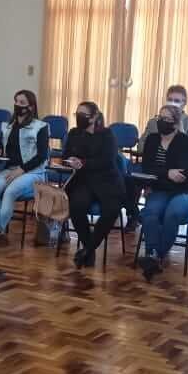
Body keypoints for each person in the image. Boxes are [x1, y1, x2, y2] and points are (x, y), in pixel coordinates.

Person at [136, 104, 188, 279]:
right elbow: (147, 168)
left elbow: (184, 172)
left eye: (166, 119)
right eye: (160, 118)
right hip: (161, 188)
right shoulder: (151, 140)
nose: (161, 122)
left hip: (187, 190)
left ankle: (156, 255)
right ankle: (151, 253)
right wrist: (167, 172)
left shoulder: (185, 141)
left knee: (172, 212)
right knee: (150, 212)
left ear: (175, 123)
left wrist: (161, 172)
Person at [0, 90, 50, 251]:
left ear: (31, 107)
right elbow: (0, 149)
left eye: (22, 103)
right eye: (16, 101)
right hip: (10, 169)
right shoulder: (7, 126)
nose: (18, 105)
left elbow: (42, 156)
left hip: (33, 172)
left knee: (11, 191)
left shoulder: (41, 127)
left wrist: (21, 170)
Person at [125, 85, 188, 229]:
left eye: (177, 100)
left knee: (168, 206)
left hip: (181, 170)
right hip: (156, 170)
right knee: (131, 177)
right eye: (170, 99)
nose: (173, 103)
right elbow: (142, 147)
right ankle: (133, 214)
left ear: (184, 103)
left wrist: (178, 128)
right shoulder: (155, 122)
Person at [63, 101, 125, 268]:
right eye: (78, 114)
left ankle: (88, 249)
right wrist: (71, 161)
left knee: (111, 210)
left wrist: (83, 162)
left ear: (95, 116)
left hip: (107, 181)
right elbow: (66, 154)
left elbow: (107, 160)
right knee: (76, 206)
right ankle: (88, 249)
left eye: (84, 115)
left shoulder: (107, 134)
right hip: (82, 180)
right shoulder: (74, 133)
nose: (80, 118)